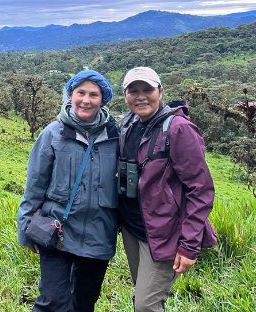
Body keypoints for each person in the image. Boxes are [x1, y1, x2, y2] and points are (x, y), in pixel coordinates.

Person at [17, 69, 119, 312]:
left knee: (84, 302)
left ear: (102, 99)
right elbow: (35, 184)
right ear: (70, 95)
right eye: (80, 92)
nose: (86, 99)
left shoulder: (117, 136)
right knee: (52, 302)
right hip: (57, 231)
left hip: (98, 233)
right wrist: (25, 227)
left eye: (93, 94)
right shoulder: (53, 133)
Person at [118, 67, 217, 312]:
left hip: (165, 233)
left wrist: (189, 245)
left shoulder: (178, 129)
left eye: (148, 89)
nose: (141, 96)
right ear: (125, 95)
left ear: (160, 91)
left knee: (145, 305)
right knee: (142, 294)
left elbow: (201, 189)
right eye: (134, 91)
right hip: (133, 229)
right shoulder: (128, 124)